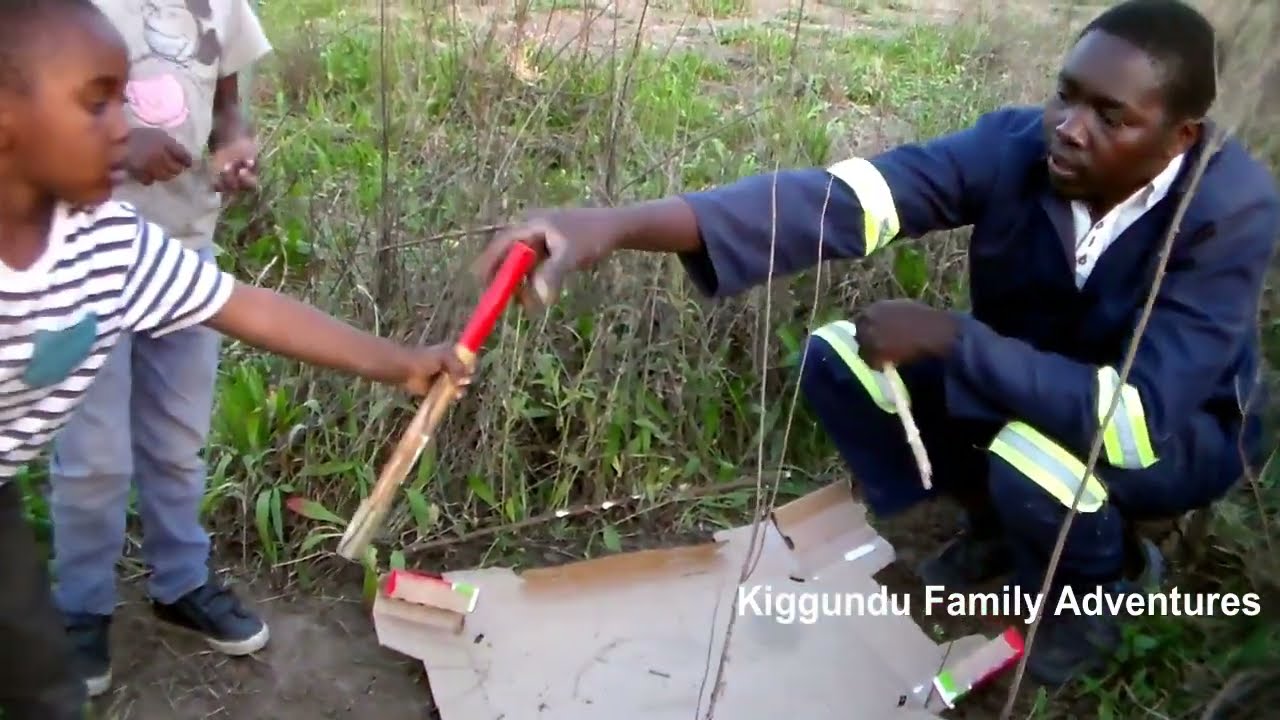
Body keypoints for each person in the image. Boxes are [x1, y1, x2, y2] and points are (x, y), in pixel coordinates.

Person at [474, 0, 1279, 688]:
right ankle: (993, 529)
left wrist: (954, 340)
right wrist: (615, 226)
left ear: (1180, 136)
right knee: (844, 358)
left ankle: (1101, 589)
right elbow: (841, 201)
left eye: (1111, 117)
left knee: (1032, 460)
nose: (1068, 129)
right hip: (1031, 394)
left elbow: (1137, 421)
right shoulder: (1016, 151)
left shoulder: (1228, 211)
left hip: (1176, 434)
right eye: (1065, 95)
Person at [0, 0, 470, 716]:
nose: (123, 126)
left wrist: (400, 363)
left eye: (123, 100)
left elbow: (248, 308)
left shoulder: (107, 241)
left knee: (44, 688)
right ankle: (83, 610)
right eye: (97, 104)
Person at [41, 0, 276, 699]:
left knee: (178, 442)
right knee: (94, 459)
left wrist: (234, 145)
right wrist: (117, 146)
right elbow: (29, 116)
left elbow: (226, 101)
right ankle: (82, 607)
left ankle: (181, 582)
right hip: (81, 255)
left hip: (184, 251)